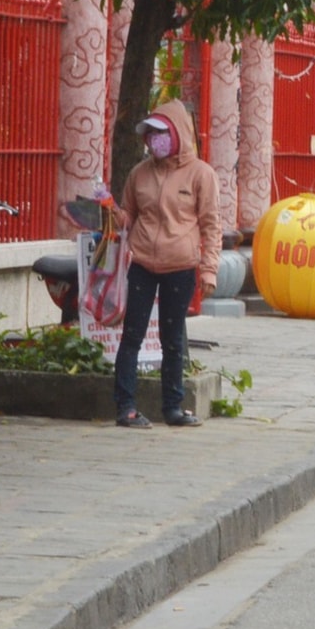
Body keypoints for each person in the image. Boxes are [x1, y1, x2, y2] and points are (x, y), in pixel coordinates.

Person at [110, 102, 221, 428]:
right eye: (150, 134)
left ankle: (173, 408)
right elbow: (129, 216)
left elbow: (211, 225)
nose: (153, 140)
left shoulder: (201, 174)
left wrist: (209, 269)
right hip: (142, 262)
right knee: (132, 336)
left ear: (177, 134)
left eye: (161, 133)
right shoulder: (139, 174)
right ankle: (125, 408)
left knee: (173, 338)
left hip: (181, 266)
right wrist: (110, 210)